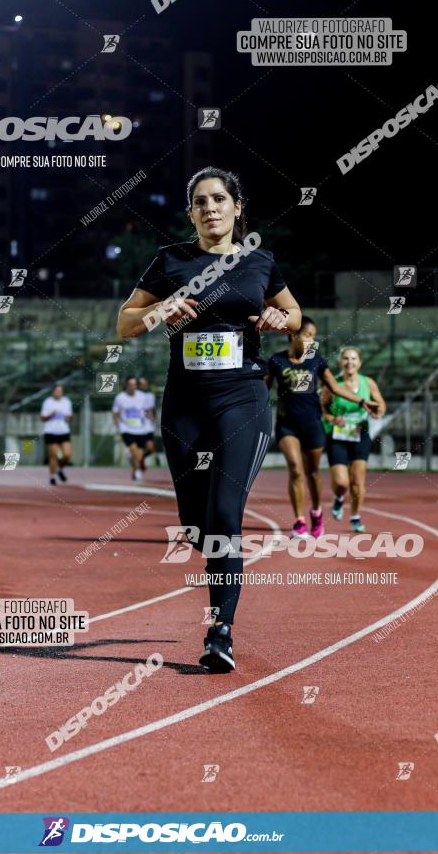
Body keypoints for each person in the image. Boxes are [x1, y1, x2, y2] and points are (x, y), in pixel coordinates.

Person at [117, 166, 302, 673]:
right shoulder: (170, 261)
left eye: (219, 199)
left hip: (243, 399)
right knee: (196, 526)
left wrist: (277, 319)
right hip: (184, 405)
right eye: (200, 202)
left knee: (224, 517)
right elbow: (124, 323)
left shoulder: (260, 260)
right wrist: (162, 310)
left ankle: (219, 630)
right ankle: (206, 550)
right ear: (191, 213)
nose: (210, 208)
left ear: (238, 207)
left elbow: (295, 316)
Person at [266, 318, 379, 538]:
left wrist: (361, 401)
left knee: (313, 473)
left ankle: (316, 512)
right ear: (293, 335)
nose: (312, 340)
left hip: (312, 425)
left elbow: (335, 387)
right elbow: (263, 388)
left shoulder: (316, 361)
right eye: (308, 335)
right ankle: (299, 520)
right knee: (296, 470)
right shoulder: (277, 361)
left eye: (314, 336)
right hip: (287, 425)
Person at [321, 347, 386, 532]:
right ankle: (339, 498)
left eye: (354, 359)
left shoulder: (368, 383)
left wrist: (378, 411)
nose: (350, 362)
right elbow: (322, 410)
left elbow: (381, 403)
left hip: (360, 434)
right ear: (340, 362)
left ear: (360, 362)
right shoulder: (333, 385)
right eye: (346, 358)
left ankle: (356, 517)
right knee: (342, 483)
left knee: (358, 480)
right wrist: (333, 418)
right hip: (337, 436)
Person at [112, 377, 150, 481]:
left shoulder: (143, 397)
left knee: (140, 453)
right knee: (135, 452)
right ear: (126, 385)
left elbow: (148, 411)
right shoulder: (120, 398)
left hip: (140, 429)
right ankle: (137, 473)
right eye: (130, 384)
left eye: (134, 384)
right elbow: (115, 413)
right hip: (126, 429)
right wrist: (118, 426)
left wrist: (148, 420)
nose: (132, 387)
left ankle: (132, 459)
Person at [40, 384, 72, 485]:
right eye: (57, 391)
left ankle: (59, 469)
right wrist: (51, 415)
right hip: (51, 432)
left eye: (60, 391)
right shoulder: (47, 402)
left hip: (64, 431)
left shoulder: (67, 402)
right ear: (53, 392)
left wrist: (68, 418)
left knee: (67, 455)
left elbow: (70, 417)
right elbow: (43, 418)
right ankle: (52, 477)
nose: (59, 393)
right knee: (54, 456)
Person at [137, 377, 157, 469]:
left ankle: (141, 458)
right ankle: (137, 467)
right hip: (138, 426)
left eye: (145, 383)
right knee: (139, 448)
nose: (144, 385)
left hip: (148, 426)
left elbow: (153, 409)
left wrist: (154, 419)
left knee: (150, 448)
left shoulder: (151, 395)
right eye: (142, 384)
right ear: (138, 385)